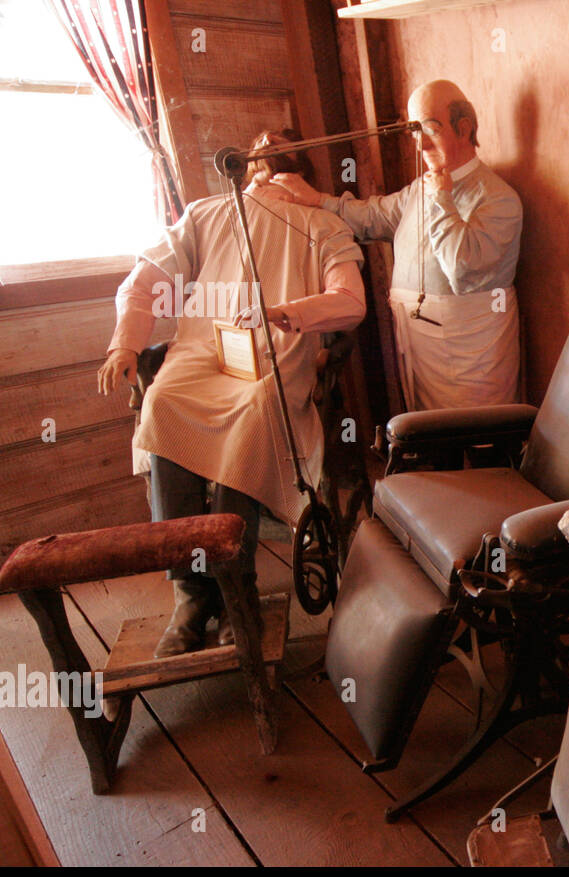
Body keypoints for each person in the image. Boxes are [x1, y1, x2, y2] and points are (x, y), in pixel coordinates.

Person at [98, 130, 367, 657]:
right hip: (204, 351)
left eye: (277, 147)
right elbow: (146, 279)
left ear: (295, 171)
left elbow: (350, 301)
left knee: (253, 409)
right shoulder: (206, 214)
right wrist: (125, 344)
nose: (262, 150)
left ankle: (231, 579)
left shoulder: (320, 224)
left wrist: (287, 312)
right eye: (257, 146)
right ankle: (191, 593)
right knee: (163, 402)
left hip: (272, 355)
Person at [267, 80, 523, 411]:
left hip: (471, 351)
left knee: (481, 434)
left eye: (430, 130)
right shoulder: (420, 189)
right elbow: (374, 216)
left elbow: (463, 270)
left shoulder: (499, 198)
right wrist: (317, 200)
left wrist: (441, 198)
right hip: (419, 341)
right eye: (415, 133)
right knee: (432, 435)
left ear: (464, 128)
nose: (421, 146)